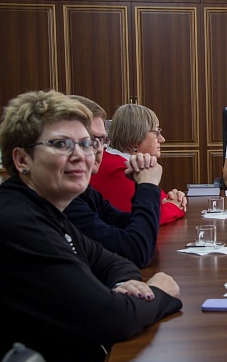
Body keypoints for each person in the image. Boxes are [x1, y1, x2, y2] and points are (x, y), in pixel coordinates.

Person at [0, 90, 182, 362]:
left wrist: (125, 284)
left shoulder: (47, 206)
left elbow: (113, 261)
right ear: (22, 159)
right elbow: (112, 319)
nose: (84, 155)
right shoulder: (17, 223)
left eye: (87, 143)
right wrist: (158, 291)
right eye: (61, 144)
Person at [64, 95, 163, 268]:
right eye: (87, 141)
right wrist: (147, 186)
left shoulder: (81, 192)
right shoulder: (63, 201)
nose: (97, 151)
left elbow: (133, 229)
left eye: (101, 141)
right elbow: (136, 250)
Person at [90, 103, 186, 225]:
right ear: (136, 138)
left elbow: (156, 201)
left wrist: (173, 198)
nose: (162, 139)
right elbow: (148, 217)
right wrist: (174, 206)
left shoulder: (121, 161)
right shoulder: (120, 168)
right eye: (156, 132)